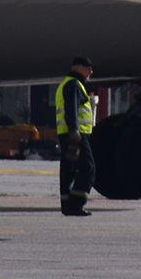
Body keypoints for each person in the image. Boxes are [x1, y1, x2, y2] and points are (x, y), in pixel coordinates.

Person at [54, 58, 98, 216]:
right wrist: (75, 130)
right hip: (75, 135)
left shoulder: (68, 83)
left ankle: (67, 205)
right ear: (78, 68)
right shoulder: (74, 84)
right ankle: (76, 204)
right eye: (88, 68)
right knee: (88, 168)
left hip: (67, 133)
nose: (91, 72)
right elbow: (71, 108)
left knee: (69, 169)